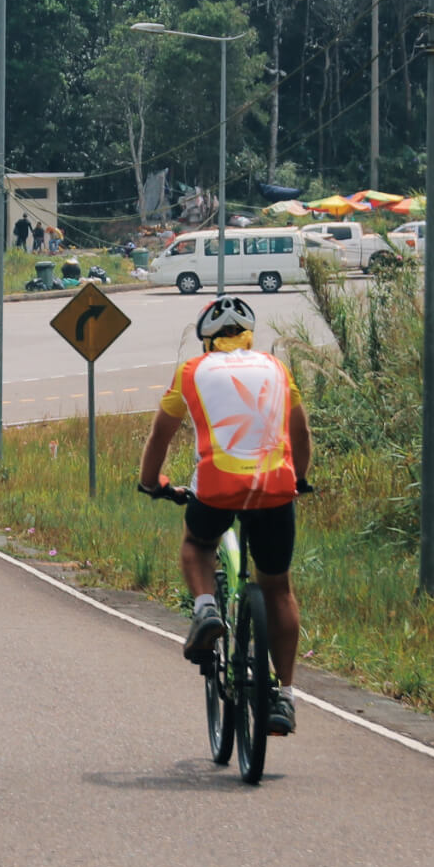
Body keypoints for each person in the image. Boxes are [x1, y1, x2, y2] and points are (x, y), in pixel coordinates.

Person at [135, 296, 312, 736]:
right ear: (250, 336)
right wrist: (301, 479)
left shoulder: (192, 372)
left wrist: (150, 482)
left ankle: (206, 608)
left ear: (207, 341)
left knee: (198, 546)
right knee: (278, 587)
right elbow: (301, 430)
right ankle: (284, 698)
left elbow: (161, 433)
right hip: (274, 489)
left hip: (217, 488)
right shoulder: (276, 368)